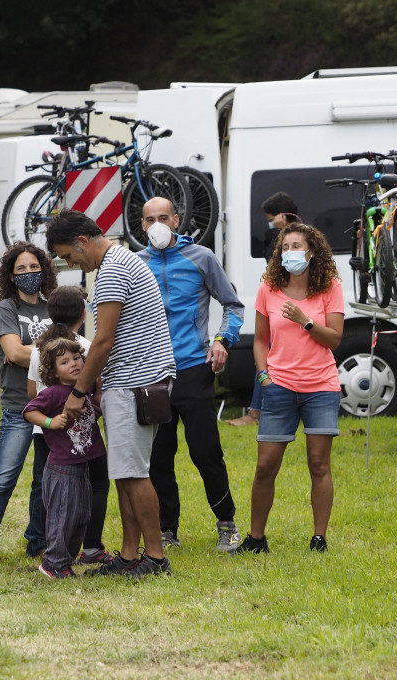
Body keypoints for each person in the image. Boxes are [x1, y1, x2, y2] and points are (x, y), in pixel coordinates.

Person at [47, 209, 176, 578]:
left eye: (70, 255)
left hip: (135, 382)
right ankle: (128, 554)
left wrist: (79, 392)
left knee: (134, 473)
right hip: (136, 380)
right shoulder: (121, 261)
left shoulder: (113, 271)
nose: (72, 263)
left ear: (83, 241)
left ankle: (154, 558)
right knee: (124, 473)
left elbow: (102, 341)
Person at [137, 197, 244, 553]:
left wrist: (221, 340)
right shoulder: (136, 264)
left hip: (193, 369)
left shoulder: (201, 257)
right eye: (149, 219)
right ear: (142, 226)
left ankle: (227, 524)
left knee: (205, 452)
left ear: (176, 220)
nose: (157, 224)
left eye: (163, 217)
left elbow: (232, 306)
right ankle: (167, 530)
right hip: (152, 374)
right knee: (159, 457)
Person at [235, 222, 343, 555]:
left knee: (319, 464)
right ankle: (256, 538)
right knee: (265, 465)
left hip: (321, 387)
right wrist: (264, 376)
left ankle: (319, 538)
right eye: (285, 247)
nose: (290, 252)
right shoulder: (269, 287)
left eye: (297, 246)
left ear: (313, 252)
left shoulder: (330, 287)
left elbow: (335, 338)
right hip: (279, 386)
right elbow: (261, 340)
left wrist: (305, 320)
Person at [0, 242, 57, 566]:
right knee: (3, 479)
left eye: (34, 267)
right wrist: (50, 352)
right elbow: (14, 353)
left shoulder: (53, 307)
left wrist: (25, 350)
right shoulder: (5, 308)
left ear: (44, 270)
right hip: (18, 405)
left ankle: (39, 543)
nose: (29, 273)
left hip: (51, 405)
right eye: (21, 269)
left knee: (45, 480)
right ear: (10, 275)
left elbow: (28, 352)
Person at [27, 287, 111, 566]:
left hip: (45, 436)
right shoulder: (84, 347)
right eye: (66, 363)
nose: (74, 363)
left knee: (45, 490)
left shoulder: (39, 348)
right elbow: (97, 389)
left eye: (75, 361)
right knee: (85, 491)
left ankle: (44, 544)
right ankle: (87, 547)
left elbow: (30, 391)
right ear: (83, 314)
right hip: (70, 440)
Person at [227, 191, 300, 428]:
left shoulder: (295, 239)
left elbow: (273, 260)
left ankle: (256, 412)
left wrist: (276, 232)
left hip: (288, 310)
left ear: (281, 216)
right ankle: (258, 410)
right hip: (284, 307)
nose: (269, 222)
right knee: (267, 354)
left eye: (271, 218)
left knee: (266, 355)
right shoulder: (299, 236)